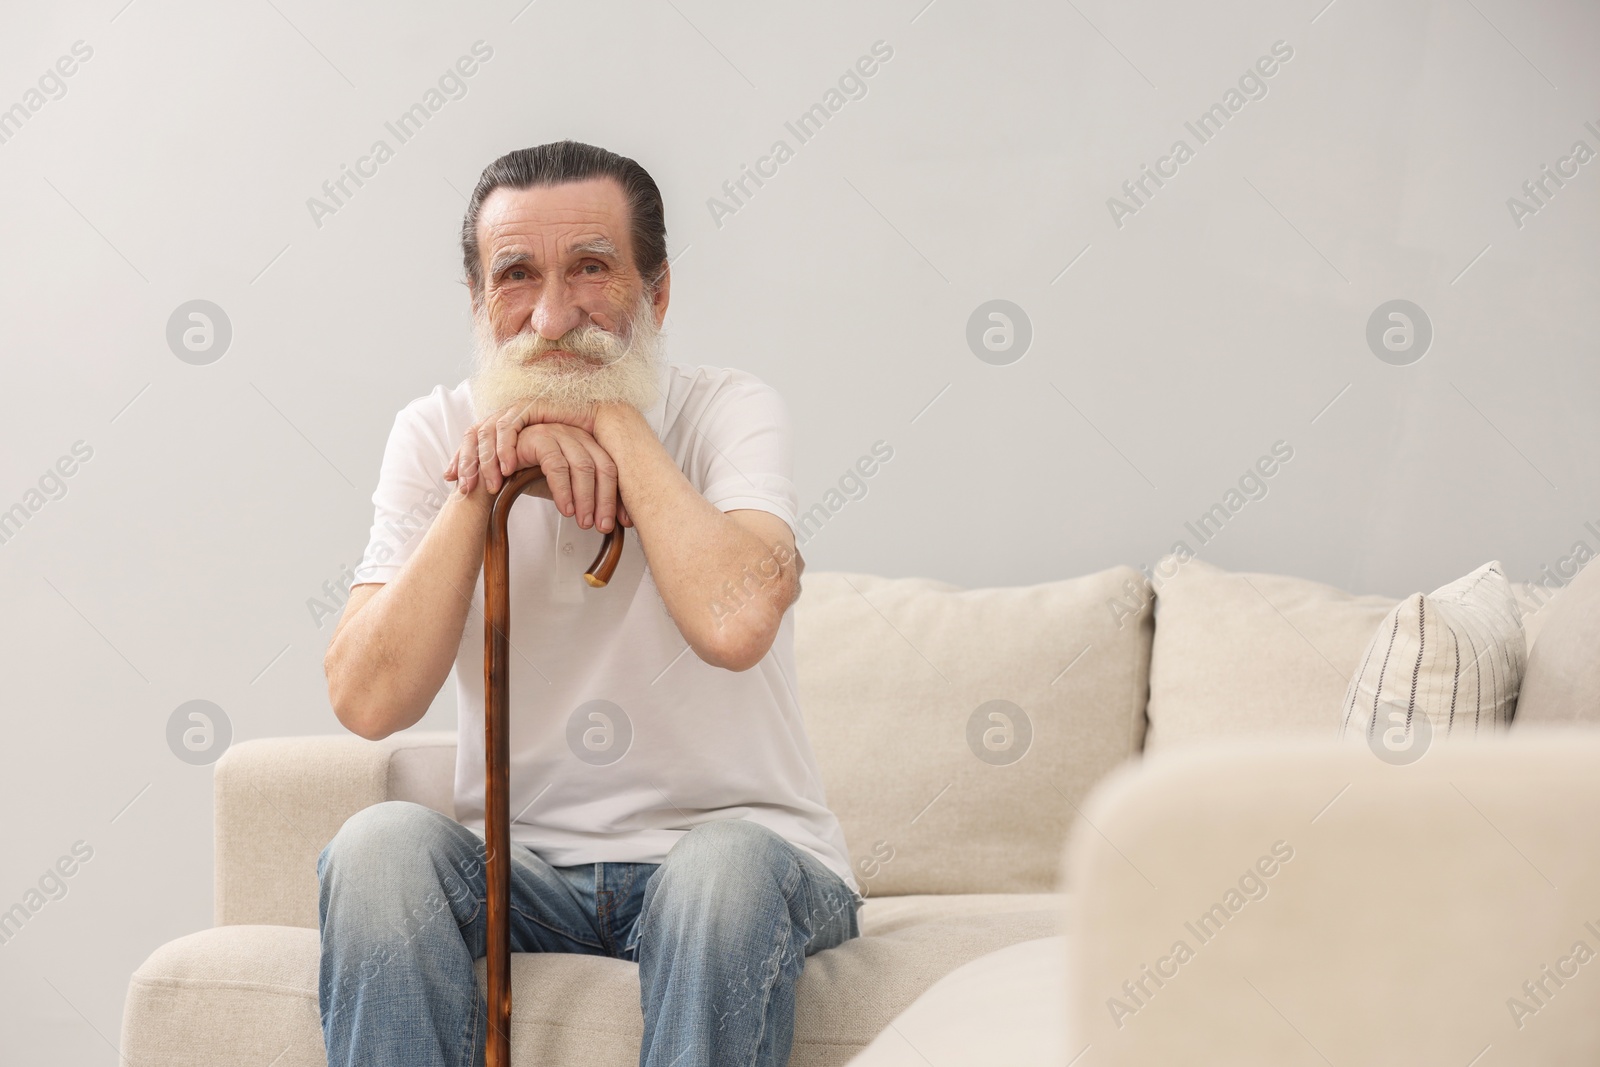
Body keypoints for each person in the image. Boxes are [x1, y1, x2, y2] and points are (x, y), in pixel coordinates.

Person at [318, 140, 860, 1067]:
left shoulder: (730, 409)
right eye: (517, 275)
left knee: (719, 873)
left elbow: (734, 624)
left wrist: (610, 418)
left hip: (738, 860)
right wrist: (482, 487)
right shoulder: (432, 433)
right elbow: (368, 700)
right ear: (480, 302)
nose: (554, 315)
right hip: (523, 876)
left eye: (593, 270)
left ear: (656, 297)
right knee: (377, 850)